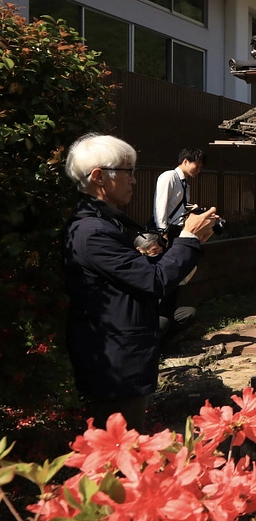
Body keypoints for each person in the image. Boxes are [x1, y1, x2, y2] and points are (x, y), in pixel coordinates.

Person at [63, 134, 218, 431]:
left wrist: (191, 242)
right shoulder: (93, 232)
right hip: (114, 364)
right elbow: (154, 280)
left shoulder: (102, 222)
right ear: (98, 177)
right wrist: (188, 238)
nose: (134, 180)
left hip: (117, 356)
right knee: (121, 447)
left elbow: (144, 275)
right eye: (128, 171)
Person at [153, 147, 205, 242]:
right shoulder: (169, 176)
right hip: (168, 228)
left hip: (178, 228)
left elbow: (177, 205)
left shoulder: (185, 184)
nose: (198, 170)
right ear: (185, 161)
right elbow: (160, 204)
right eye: (197, 166)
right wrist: (162, 230)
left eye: (200, 167)